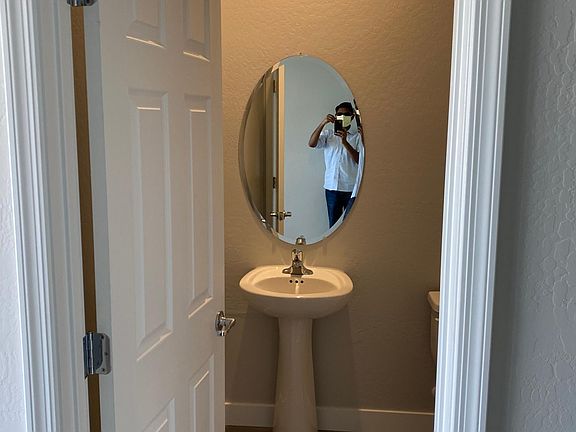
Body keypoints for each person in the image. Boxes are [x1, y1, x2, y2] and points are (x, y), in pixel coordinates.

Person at [308, 102, 364, 227]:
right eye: (339, 114)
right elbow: (311, 143)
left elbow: (359, 160)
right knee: (333, 225)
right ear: (335, 116)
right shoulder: (328, 135)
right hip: (331, 187)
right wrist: (323, 123)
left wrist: (345, 142)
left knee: (352, 225)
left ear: (352, 117)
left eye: (346, 114)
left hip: (350, 188)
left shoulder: (357, 137)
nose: (342, 117)